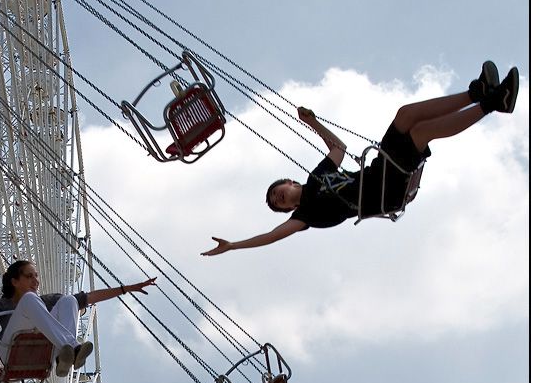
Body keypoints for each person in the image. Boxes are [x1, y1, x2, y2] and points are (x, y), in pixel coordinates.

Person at [202, 61, 519, 255]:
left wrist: (313, 123)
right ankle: (494, 104)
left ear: (289, 181)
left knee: (405, 116)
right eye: (278, 203)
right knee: (421, 133)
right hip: (382, 193)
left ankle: (478, 93)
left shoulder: (316, 176)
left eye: (276, 192)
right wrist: (234, 245)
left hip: (377, 172)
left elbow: (338, 148)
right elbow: (271, 237)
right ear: (288, 209)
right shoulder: (306, 215)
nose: (279, 198)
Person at [0, 260, 157, 377]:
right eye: (29, 276)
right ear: (15, 281)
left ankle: (66, 354)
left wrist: (125, 289)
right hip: (11, 351)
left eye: (36, 276)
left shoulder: (48, 300)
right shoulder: (2, 305)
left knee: (69, 300)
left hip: (43, 352)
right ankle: (71, 348)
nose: (36, 281)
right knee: (30, 299)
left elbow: (90, 297)